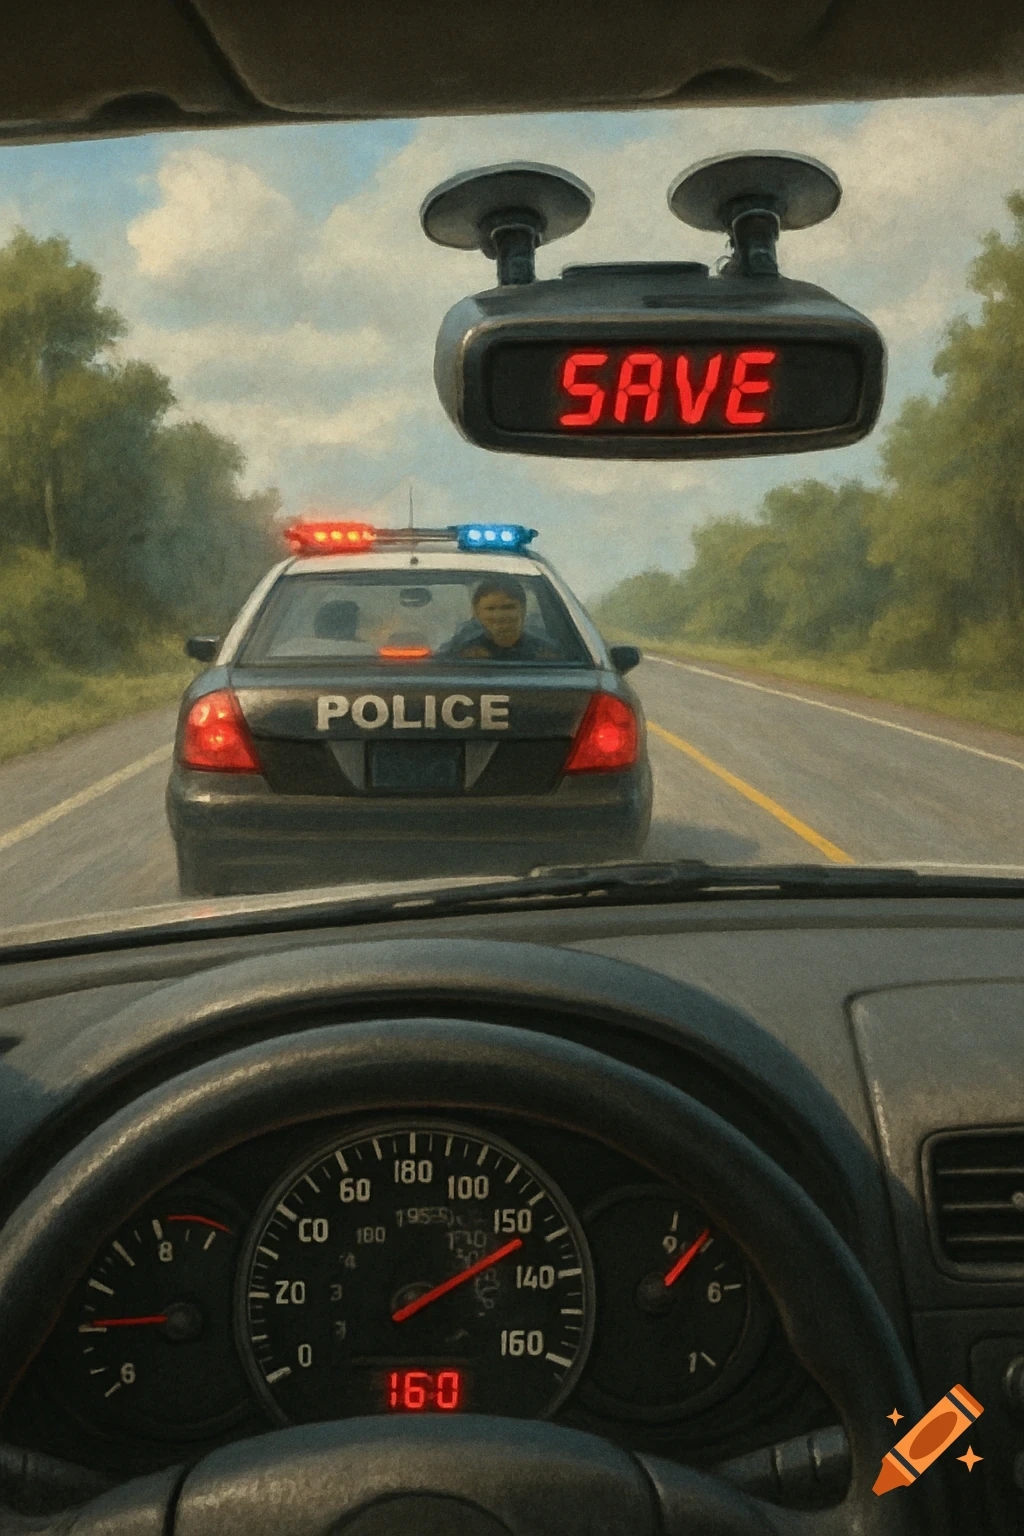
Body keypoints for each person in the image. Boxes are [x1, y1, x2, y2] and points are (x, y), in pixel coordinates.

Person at [446, 577, 558, 661]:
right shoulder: (462, 653)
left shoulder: (548, 654)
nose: (499, 616)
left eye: (508, 607)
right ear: (476, 612)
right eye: (490, 609)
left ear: (523, 609)